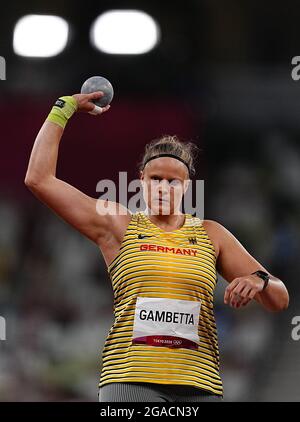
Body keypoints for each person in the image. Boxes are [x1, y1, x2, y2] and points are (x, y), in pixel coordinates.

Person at [25, 92, 289, 402]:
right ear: (141, 181)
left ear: (187, 185)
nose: (163, 187)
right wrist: (63, 108)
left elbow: (279, 299)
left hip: (199, 384)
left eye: (172, 181)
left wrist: (258, 279)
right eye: (155, 179)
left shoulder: (211, 234)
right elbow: (39, 179)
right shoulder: (118, 225)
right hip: (132, 381)